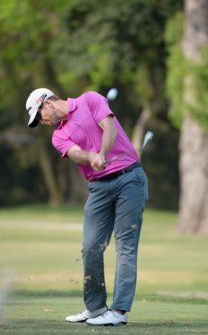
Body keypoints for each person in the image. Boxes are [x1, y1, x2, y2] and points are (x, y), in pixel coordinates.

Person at [25, 88, 149, 326]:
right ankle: (95, 308)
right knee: (91, 246)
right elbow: (75, 153)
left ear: (47, 103)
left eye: (39, 116)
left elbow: (109, 128)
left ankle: (119, 312)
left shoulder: (90, 100)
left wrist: (102, 152)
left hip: (129, 180)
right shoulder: (57, 135)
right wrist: (91, 157)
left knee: (125, 245)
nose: (41, 122)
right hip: (99, 189)